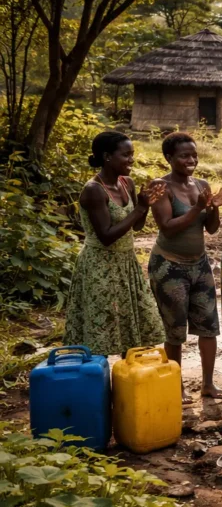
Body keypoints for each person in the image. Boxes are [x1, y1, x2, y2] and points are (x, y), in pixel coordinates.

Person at [65, 131, 166, 357]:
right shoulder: (94, 190)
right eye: (126, 155)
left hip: (126, 263)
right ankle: (97, 377)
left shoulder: (127, 182)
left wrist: (145, 205)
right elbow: (106, 236)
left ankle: (128, 375)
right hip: (99, 265)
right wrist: (140, 208)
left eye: (132, 154)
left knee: (132, 322)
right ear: (107, 156)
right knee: (101, 323)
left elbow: (137, 226)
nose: (131, 159)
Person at [148, 132, 222, 403]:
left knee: (209, 326)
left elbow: (212, 228)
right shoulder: (160, 186)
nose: (191, 160)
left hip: (199, 264)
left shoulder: (201, 184)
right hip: (169, 266)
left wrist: (214, 208)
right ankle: (177, 385)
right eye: (184, 155)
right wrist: (197, 208)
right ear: (169, 157)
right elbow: (167, 228)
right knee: (175, 330)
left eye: (194, 155)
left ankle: (208, 384)